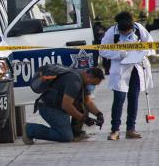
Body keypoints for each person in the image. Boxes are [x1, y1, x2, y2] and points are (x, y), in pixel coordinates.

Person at [99, 11, 153, 140]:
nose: (126, 34)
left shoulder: (139, 29)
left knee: (133, 99)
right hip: (120, 69)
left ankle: (131, 129)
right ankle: (115, 130)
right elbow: (102, 50)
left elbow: (150, 45)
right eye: (124, 32)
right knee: (119, 99)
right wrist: (118, 54)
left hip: (137, 67)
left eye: (128, 31)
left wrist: (142, 51)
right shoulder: (112, 32)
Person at [23, 67, 105, 144]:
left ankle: (76, 133)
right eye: (93, 84)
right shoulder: (75, 81)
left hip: (59, 107)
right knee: (66, 136)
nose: (93, 86)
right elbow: (66, 106)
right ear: (88, 76)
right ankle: (30, 129)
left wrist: (99, 114)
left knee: (82, 104)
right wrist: (84, 119)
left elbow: (87, 101)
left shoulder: (83, 78)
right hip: (49, 108)